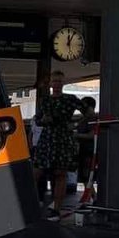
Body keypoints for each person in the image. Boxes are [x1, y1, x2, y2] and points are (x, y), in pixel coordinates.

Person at [33, 71, 81, 219]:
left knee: (60, 173)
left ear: (63, 84)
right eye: (55, 81)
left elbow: (89, 112)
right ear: (51, 84)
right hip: (49, 138)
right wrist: (44, 121)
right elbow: (38, 119)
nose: (57, 84)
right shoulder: (45, 100)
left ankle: (57, 208)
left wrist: (75, 125)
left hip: (60, 138)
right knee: (37, 172)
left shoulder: (70, 99)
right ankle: (32, 204)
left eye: (59, 82)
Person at [76, 96, 97, 187]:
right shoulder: (83, 119)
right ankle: (90, 195)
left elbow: (92, 135)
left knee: (87, 174)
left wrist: (76, 135)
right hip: (83, 149)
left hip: (90, 150)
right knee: (84, 175)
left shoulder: (94, 119)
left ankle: (92, 196)